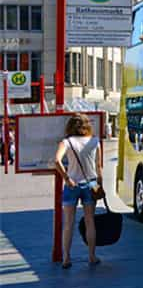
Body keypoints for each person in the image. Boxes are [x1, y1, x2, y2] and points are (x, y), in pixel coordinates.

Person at [53, 113, 102, 268]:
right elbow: (99, 167)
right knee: (90, 221)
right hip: (91, 184)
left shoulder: (66, 142)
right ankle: (92, 256)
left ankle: (66, 258)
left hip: (72, 185)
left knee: (68, 223)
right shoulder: (95, 141)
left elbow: (56, 160)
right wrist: (99, 185)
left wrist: (67, 178)